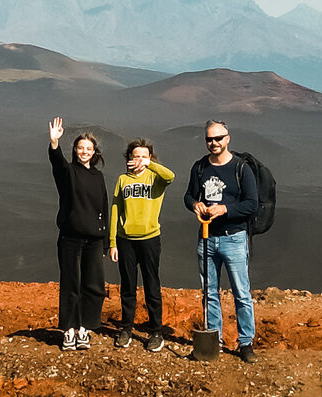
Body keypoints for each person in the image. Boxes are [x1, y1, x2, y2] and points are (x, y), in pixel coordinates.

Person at [183, 118, 258, 360]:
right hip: (206, 237)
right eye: (209, 139)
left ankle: (245, 343)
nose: (213, 142)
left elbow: (251, 204)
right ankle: (213, 340)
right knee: (209, 292)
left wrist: (224, 209)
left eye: (218, 138)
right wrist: (195, 205)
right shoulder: (200, 167)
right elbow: (188, 195)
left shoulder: (241, 169)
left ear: (227, 139)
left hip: (234, 238)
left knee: (241, 293)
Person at [108, 137, 174, 350]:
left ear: (150, 159)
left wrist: (149, 165)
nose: (139, 160)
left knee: (151, 285)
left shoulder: (155, 179)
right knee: (127, 286)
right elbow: (116, 210)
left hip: (150, 239)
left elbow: (170, 176)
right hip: (125, 240)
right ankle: (126, 328)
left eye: (144, 157)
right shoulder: (122, 180)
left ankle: (156, 331)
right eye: (135, 156)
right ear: (128, 158)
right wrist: (112, 241)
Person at [48, 116, 108, 349]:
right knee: (71, 283)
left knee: (93, 285)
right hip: (70, 239)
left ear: (94, 152)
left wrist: (104, 241)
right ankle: (69, 331)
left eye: (89, 149)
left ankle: (85, 328)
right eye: (81, 148)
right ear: (75, 150)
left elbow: (103, 208)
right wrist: (54, 143)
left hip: (94, 240)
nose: (84, 151)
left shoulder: (98, 176)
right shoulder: (68, 172)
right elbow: (57, 163)